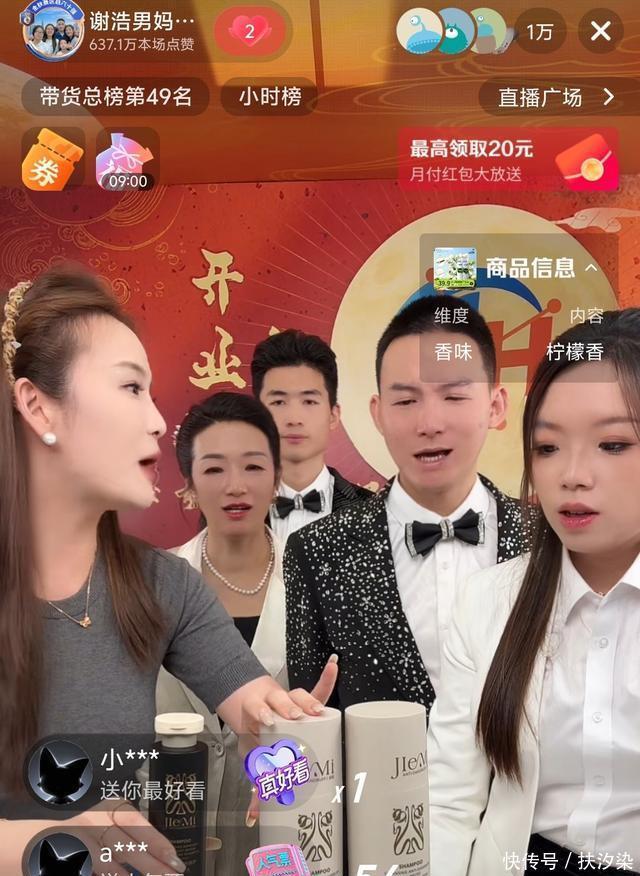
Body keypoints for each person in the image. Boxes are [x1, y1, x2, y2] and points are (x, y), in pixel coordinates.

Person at [0, 269, 336, 873]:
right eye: (131, 387)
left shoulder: (165, 585)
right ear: (37, 405)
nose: (158, 421)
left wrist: (283, 738)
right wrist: (47, 839)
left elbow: (255, 708)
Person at [428, 309, 640, 876]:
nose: (572, 475)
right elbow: (448, 800)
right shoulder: (487, 601)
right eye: (547, 447)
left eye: (612, 444)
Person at [285, 294, 529, 712]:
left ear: (495, 406)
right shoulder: (317, 550)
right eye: (405, 401)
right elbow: (312, 714)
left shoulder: (549, 539)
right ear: (378, 413)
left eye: (454, 397)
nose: (429, 424)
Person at [154, 392, 326, 875]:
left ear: (277, 477)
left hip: (285, 837)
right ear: (188, 483)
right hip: (167, 837)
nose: (235, 486)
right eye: (214, 469)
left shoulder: (316, 583)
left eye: (253, 466)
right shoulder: (151, 585)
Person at [250, 329, 372, 543]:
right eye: (278, 402)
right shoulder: (229, 508)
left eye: (309, 401)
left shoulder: (375, 513)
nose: (294, 419)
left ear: (333, 415)